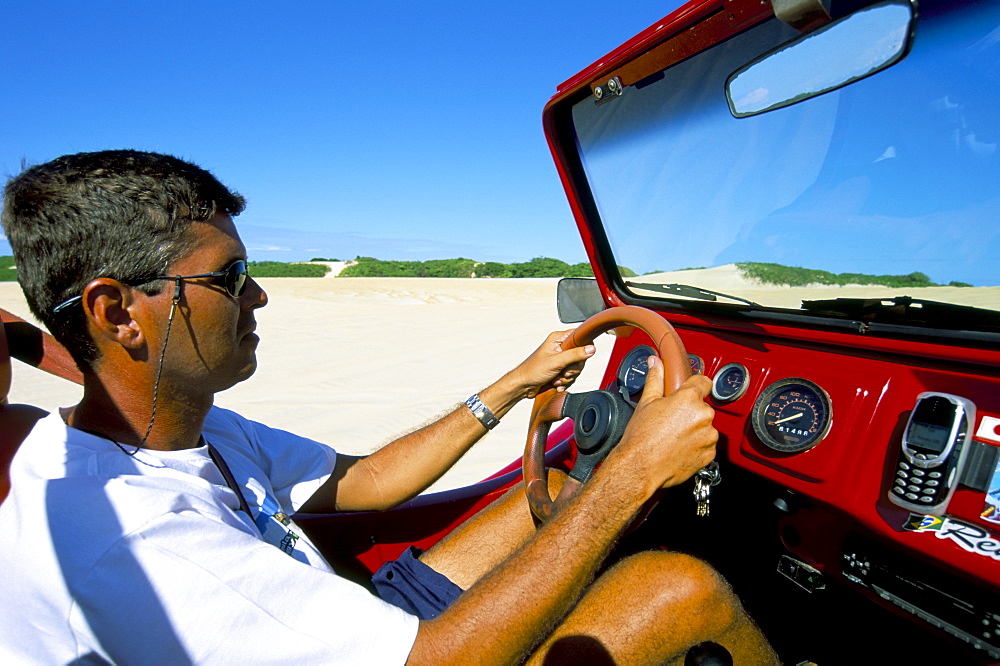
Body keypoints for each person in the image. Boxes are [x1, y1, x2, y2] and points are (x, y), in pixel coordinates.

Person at [0, 150, 777, 664]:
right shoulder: (136, 543)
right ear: (117, 312)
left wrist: (514, 383)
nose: (260, 295)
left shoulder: (184, 428)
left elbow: (365, 481)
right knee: (678, 588)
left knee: (562, 494)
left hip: (327, 613)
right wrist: (633, 475)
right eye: (230, 278)